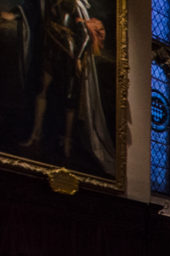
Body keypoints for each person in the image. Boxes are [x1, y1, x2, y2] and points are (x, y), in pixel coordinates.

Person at [21, 0, 114, 174]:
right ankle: (36, 133)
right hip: (52, 48)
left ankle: (68, 142)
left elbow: (85, 35)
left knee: (70, 98)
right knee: (42, 88)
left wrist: (78, 58)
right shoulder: (50, 3)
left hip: (68, 52)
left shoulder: (74, 5)